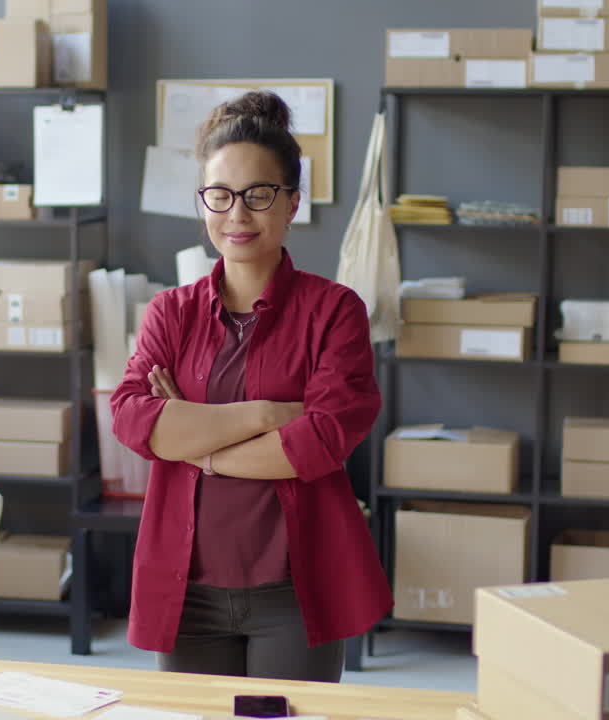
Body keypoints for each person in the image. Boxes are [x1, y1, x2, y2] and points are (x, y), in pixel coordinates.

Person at [109, 90, 392, 682]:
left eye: (259, 195)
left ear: (291, 203)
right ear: (203, 202)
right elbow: (134, 420)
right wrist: (267, 414)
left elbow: (321, 441)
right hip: (186, 588)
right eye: (220, 195)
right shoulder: (171, 312)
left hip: (293, 589)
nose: (237, 214)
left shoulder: (334, 311)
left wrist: (194, 439)